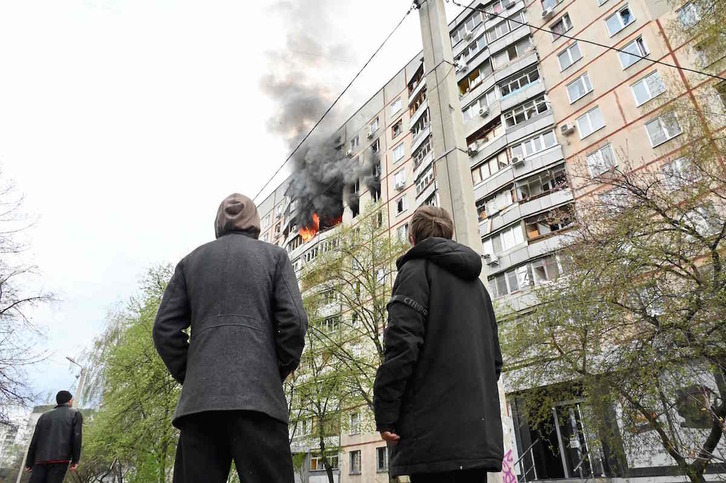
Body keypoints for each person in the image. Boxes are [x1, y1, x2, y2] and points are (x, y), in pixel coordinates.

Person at [153, 193, 308, 483]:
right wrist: (275, 370)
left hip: (200, 404)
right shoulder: (275, 257)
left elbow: (163, 328)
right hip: (260, 400)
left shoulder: (190, 262)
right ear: (255, 223)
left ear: (218, 224)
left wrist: (192, 372)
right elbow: (295, 321)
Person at [373, 205, 504, 483]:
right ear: (450, 235)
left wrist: (385, 413)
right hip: (475, 441)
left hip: (433, 443)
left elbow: (401, 345)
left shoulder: (414, 271)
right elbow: (495, 362)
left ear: (412, 238)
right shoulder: (478, 286)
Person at [25, 390, 83, 483]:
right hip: (61, 459)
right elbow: (76, 437)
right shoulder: (75, 414)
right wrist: (75, 460)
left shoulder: (44, 416)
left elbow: (35, 439)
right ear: (69, 401)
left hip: (40, 459)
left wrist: (29, 461)